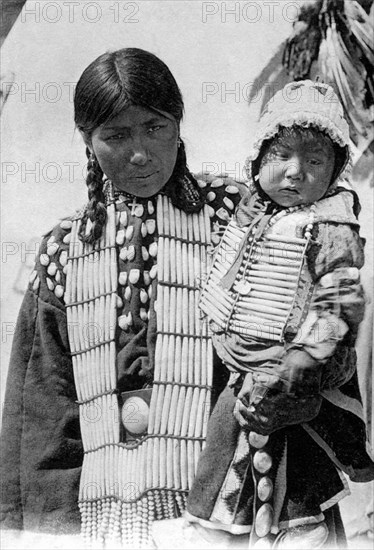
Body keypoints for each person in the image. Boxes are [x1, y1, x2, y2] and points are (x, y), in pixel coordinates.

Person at [0, 47, 245, 548]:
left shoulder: (236, 220)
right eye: (116, 135)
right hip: (103, 514)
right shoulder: (65, 249)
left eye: (155, 128)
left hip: (222, 503)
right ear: (88, 143)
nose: (140, 153)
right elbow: (43, 414)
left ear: (178, 124)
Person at [153, 80, 374, 549]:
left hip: (299, 367)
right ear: (259, 161)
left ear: (334, 172)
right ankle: (205, 525)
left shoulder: (331, 224)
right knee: (223, 439)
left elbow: (340, 296)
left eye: (314, 161)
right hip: (245, 360)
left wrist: (305, 358)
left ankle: (304, 529)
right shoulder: (255, 211)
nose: (295, 173)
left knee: (295, 453)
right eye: (281, 157)